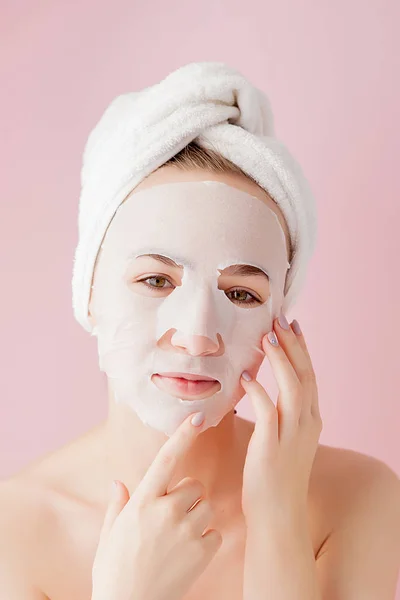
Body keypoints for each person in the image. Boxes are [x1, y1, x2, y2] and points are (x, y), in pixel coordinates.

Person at [1, 91, 400, 599]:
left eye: (241, 293)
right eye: (155, 281)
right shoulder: (13, 535)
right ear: (89, 296)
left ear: (278, 320)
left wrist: (278, 519)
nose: (196, 335)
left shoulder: (358, 498)